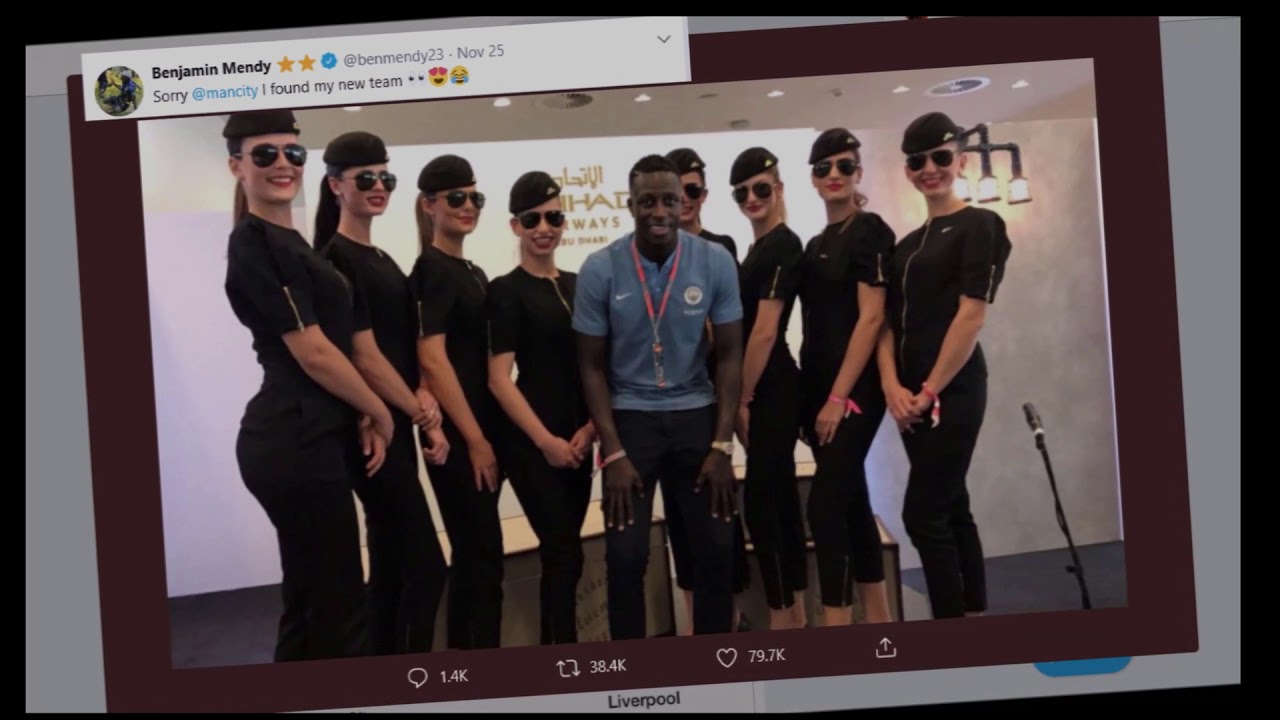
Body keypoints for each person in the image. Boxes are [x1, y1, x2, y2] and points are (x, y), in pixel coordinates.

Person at [221, 109, 388, 661]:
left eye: (293, 152)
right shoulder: (253, 241)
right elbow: (314, 352)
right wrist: (380, 410)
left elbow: (340, 348)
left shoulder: (292, 242)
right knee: (340, 603)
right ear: (237, 166)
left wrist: (360, 409)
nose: (283, 163)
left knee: (310, 598)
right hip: (293, 439)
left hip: (311, 434)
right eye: (264, 153)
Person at [573, 154, 745, 639]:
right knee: (625, 556)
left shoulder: (714, 261)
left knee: (716, 549)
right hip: (630, 423)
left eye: (670, 199)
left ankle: (716, 663)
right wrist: (613, 452)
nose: (660, 212)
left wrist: (722, 445)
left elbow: (731, 356)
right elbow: (590, 367)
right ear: (630, 205)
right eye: (647, 201)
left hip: (697, 417)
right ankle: (633, 668)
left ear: (683, 201)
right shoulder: (600, 269)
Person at [311, 130, 452, 655]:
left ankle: (383, 678)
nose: (378, 186)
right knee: (426, 569)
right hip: (374, 435)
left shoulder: (381, 258)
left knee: (392, 570)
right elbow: (361, 356)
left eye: (386, 178)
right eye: (366, 178)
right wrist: (424, 416)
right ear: (335, 186)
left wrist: (421, 391)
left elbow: (400, 344)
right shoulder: (335, 259)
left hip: (393, 427)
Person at [877, 112, 1013, 620]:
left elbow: (971, 316)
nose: (929, 169)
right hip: (909, 397)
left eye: (939, 157)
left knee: (922, 514)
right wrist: (892, 388)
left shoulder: (981, 225)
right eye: (918, 161)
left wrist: (930, 390)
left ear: (960, 161)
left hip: (952, 391)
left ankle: (950, 629)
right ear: (908, 171)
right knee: (952, 505)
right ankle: (973, 616)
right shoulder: (905, 246)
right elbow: (885, 325)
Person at [486, 171, 596, 645]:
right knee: (563, 551)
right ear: (516, 226)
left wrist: (591, 428)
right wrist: (545, 441)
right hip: (532, 443)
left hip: (579, 438)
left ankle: (560, 656)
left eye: (553, 217)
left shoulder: (579, 284)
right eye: (532, 219)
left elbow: (595, 366)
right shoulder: (506, 289)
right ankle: (563, 661)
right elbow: (498, 378)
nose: (544, 228)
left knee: (567, 557)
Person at [798, 128, 898, 626]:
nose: (834, 175)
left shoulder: (870, 230)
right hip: (819, 390)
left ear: (858, 172)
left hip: (853, 393)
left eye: (844, 166)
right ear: (813, 179)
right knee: (854, 501)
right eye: (824, 168)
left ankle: (838, 633)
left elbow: (871, 317)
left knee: (824, 507)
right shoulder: (815, 243)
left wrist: (837, 397)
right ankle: (880, 622)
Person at [409, 154, 506, 649]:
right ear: (429, 205)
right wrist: (475, 439)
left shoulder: (470, 270)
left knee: (481, 557)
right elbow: (432, 359)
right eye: (457, 198)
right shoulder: (431, 270)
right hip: (460, 436)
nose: (469, 206)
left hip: (481, 428)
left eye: (475, 197)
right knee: (478, 556)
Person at [664, 147, 751, 634]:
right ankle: (696, 629)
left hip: (713, 405)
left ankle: (730, 625)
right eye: (675, 192)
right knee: (679, 518)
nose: (684, 199)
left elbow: (726, 336)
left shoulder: (721, 249)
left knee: (719, 516)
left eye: (692, 190)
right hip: (663, 410)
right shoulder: (650, 254)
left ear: (704, 194)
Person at [728, 147, 810, 631]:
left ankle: (783, 618)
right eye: (741, 193)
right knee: (778, 500)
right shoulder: (757, 249)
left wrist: (741, 398)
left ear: (778, 189)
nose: (751, 198)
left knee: (763, 506)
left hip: (772, 387)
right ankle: (794, 613)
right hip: (763, 386)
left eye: (761, 188)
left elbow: (763, 332)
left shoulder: (783, 244)